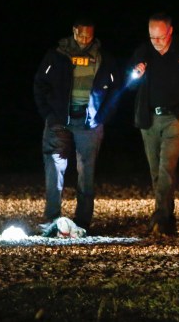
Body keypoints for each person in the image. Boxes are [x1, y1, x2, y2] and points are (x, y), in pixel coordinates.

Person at [33, 18, 120, 234]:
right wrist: (49, 115)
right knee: (54, 169)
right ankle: (52, 218)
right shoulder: (57, 55)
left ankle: (83, 222)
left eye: (88, 36)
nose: (84, 40)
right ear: (73, 31)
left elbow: (115, 90)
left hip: (89, 123)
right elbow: (39, 84)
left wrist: (103, 117)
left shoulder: (103, 58)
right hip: (59, 122)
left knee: (86, 173)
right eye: (81, 35)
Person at [130, 12, 179, 237]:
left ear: (170, 31)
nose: (157, 42)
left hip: (176, 119)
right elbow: (130, 83)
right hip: (149, 119)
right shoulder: (143, 52)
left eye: (161, 37)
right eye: (153, 37)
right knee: (156, 171)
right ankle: (167, 217)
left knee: (166, 167)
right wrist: (135, 73)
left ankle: (160, 216)